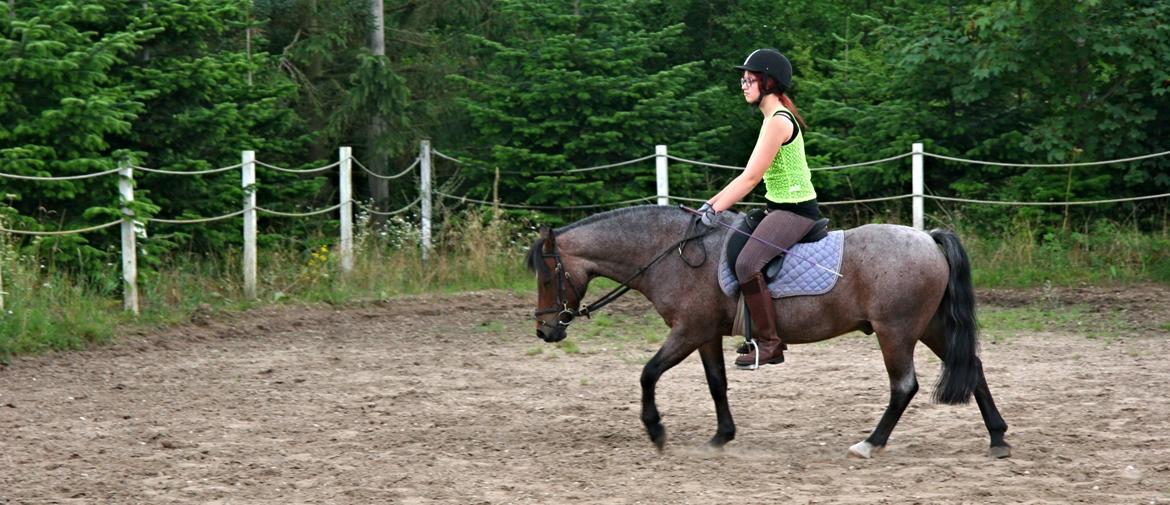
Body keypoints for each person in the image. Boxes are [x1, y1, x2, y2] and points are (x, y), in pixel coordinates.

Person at [697, 48, 821, 368]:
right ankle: (751, 328)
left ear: (768, 82)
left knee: (748, 263)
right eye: (743, 79)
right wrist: (709, 205)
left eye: (749, 79)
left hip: (795, 211)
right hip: (776, 206)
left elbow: (750, 178)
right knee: (736, 248)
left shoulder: (778, 122)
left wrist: (713, 210)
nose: (744, 84)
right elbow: (748, 176)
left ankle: (770, 343)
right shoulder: (771, 118)